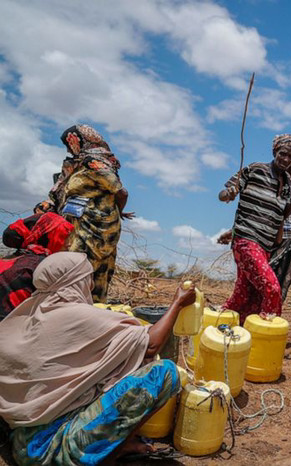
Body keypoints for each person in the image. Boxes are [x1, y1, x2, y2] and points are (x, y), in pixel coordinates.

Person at [0, 252, 196, 465]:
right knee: (163, 373)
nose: (91, 285)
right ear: (76, 281)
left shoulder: (26, 314)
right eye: (88, 278)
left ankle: (116, 445)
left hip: (22, 444)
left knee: (114, 366)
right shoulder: (75, 315)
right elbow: (151, 344)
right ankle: (113, 452)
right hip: (52, 451)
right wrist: (178, 302)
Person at [219, 138, 291, 302]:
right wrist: (234, 230)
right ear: (276, 153)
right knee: (257, 281)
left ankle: (268, 319)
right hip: (265, 238)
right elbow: (255, 210)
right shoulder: (261, 172)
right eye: (284, 153)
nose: (290, 158)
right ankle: (250, 317)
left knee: (280, 284)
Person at [219, 134, 291, 323]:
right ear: (275, 151)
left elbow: (279, 216)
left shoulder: (286, 184)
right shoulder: (255, 169)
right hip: (246, 240)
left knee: (243, 293)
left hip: (266, 246)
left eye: (290, 156)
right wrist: (229, 194)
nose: (285, 159)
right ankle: (266, 331)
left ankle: (227, 325)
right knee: (272, 288)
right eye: (282, 153)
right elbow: (228, 191)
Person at [44, 124, 134, 303]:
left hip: (95, 228)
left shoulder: (93, 162)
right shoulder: (78, 164)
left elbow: (120, 192)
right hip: (80, 226)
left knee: (85, 269)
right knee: (78, 267)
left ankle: (86, 312)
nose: (69, 149)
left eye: (70, 144)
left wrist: (120, 210)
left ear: (79, 140)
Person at [0, 212, 74, 319]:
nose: (69, 244)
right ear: (48, 237)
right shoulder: (43, 266)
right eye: (63, 237)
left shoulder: (14, 258)